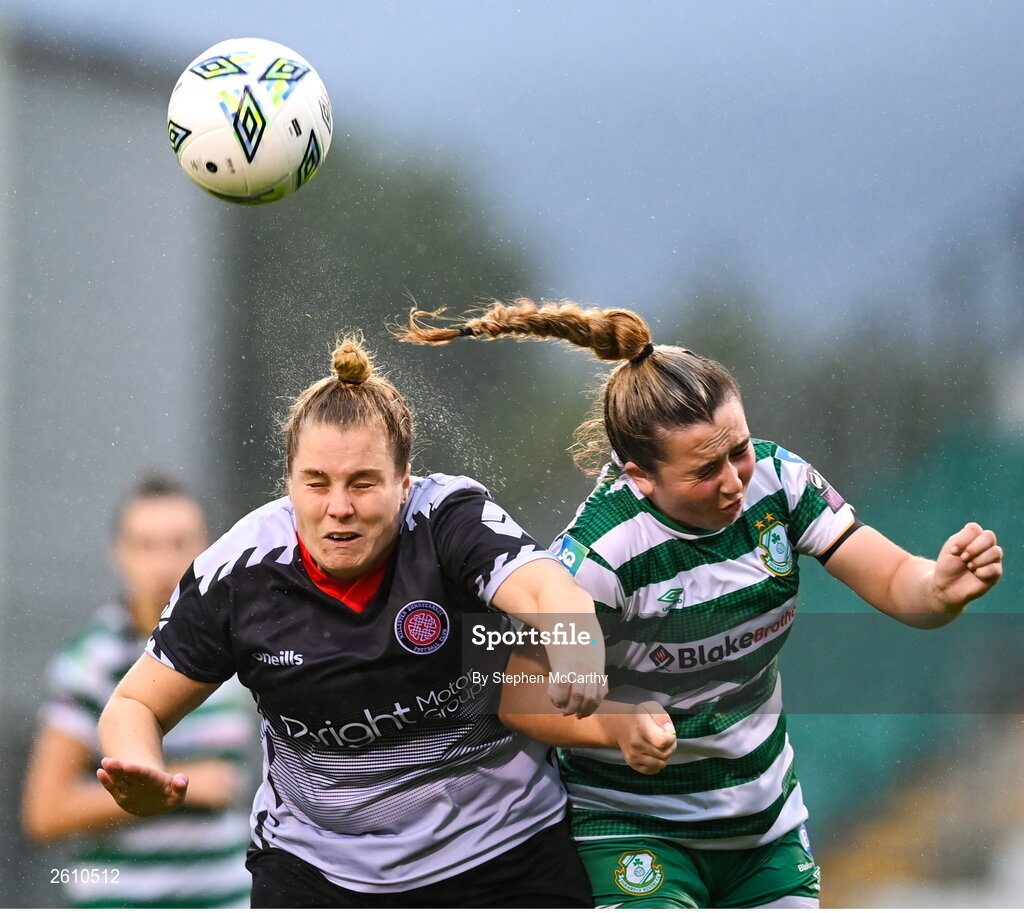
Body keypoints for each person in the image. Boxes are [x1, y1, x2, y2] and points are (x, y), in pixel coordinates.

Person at [397, 299, 1004, 909]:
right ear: (640, 477)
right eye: (705, 469)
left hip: (764, 827)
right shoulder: (600, 555)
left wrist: (937, 589)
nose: (735, 479)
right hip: (636, 829)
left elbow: (898, 579)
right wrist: (615, 725)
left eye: (738, 449)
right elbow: (519, 696)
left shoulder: (780, 482)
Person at [95, 336, 608, 908]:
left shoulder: (448, 520)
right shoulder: (237, 572)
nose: (339, 505)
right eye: (316, 482)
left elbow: (545, 587)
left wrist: (576, 643)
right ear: (288, 484)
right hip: (319, 869)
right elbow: (135, 704)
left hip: (504, 851)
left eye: (363, 482)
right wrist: (138, 770)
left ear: (404, 484)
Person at [21, 475, 255, 908]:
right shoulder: (93, 661)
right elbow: (45, 812)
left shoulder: (233, 644)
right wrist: (185, 786)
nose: (164, 563)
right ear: (119, 555)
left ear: (208, 549)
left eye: (179, 543)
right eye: (146, 545)